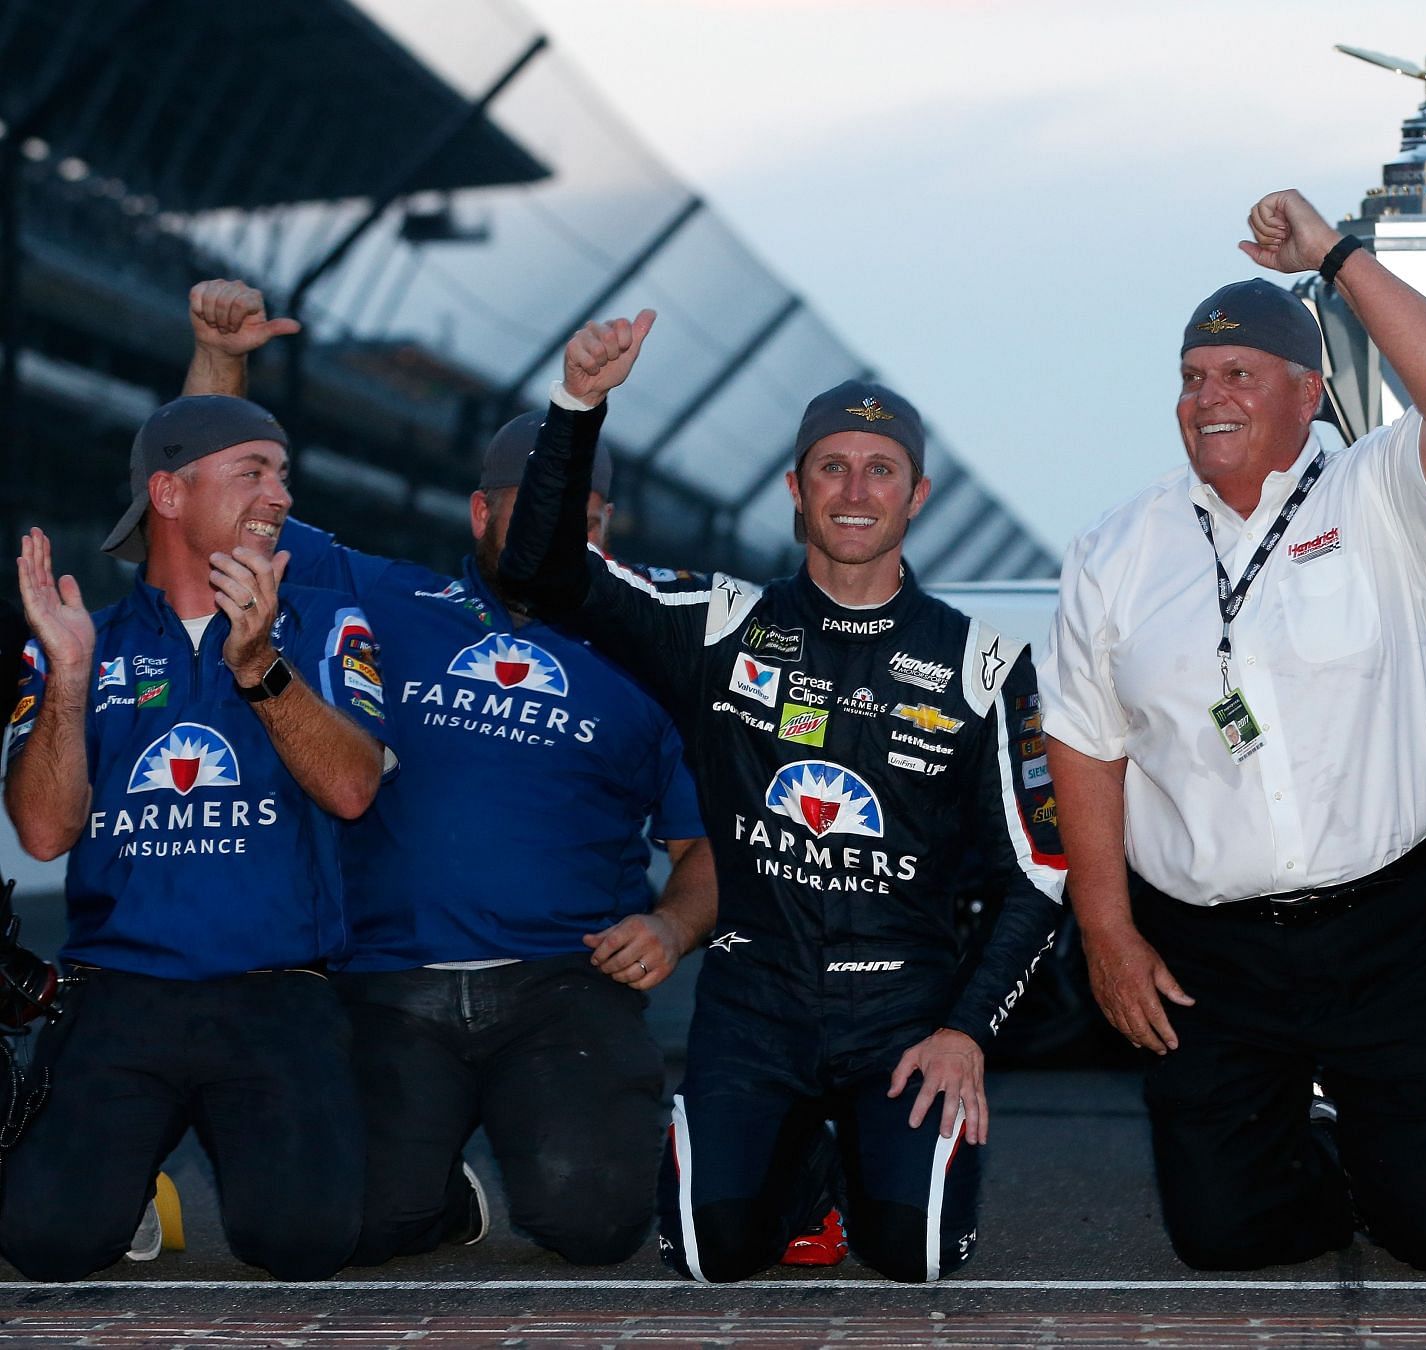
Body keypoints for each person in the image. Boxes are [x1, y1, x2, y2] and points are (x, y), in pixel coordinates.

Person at [494, 313, 1066, 1283]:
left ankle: (863, 1152)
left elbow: (1038, 875)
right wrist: (577, 407)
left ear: (916, 495)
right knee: (713, 1259)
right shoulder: (720, 623)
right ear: (796, 491)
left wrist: (965, 1033)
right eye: (830, 467)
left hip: (902, 1012)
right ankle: (796, 1152)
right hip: (754, 1000)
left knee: (917, 1257)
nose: (854, 489)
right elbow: (540, 571)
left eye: (880, 468)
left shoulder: (985, 662)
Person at [182, 279, 719, 1266]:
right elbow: (219, 521)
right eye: (534, 510)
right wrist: (223, 363)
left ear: (605, 528)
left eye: (583, 515)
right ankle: (432, 1193)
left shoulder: (652, 649)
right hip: (385, 983)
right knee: (342, 1226)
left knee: (593, 1222)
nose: (561, 531)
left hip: (564, 984)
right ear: (480, 511)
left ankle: (586, 1143)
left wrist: (670, 925)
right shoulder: (385, 595)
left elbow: (704, 848)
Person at [1041, 188, 1426, 1272]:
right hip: (1214, 951)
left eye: (1239, 374)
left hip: (1397, 930)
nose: (1207, 396)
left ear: (1310, 395)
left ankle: (1409, 1158)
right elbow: (1084, 743)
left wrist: (1338, 256)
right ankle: (1321, 1165)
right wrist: (1109, 938)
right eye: (1193, 378)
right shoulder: (1117, 547)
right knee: (1222, 1238)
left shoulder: (1382, 493)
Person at [0, 395, 389, 1280]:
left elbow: (353, 789)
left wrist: (258, 666)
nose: (280, 494)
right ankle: (129, 1184)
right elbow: (44, 831)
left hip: (277, 987)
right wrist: (65, 678)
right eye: (253, 471)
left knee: (302, 1244)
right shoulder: (79, 638)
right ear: (168, 494)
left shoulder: (325, 623)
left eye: (284, 474)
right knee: (45, 1245)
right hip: (119, 984)